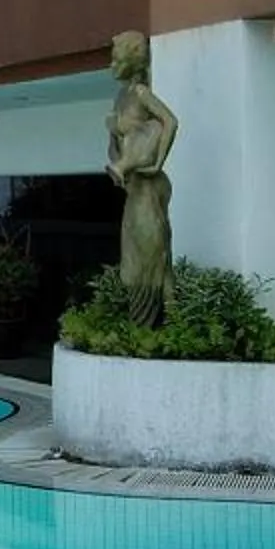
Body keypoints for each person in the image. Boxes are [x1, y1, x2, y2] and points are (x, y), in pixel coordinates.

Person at [104, 30, 179, 327]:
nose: (111, 64)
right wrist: (111, 129)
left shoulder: (140, 94)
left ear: (132, 60)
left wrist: (159, 160)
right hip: (133, 187)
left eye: (116, 57)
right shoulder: (121, 97)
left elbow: (170, 121)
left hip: (149, 185)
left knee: (152, 258)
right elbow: (114, 145)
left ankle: (157, 326)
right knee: (136, 259)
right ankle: (152, 326)